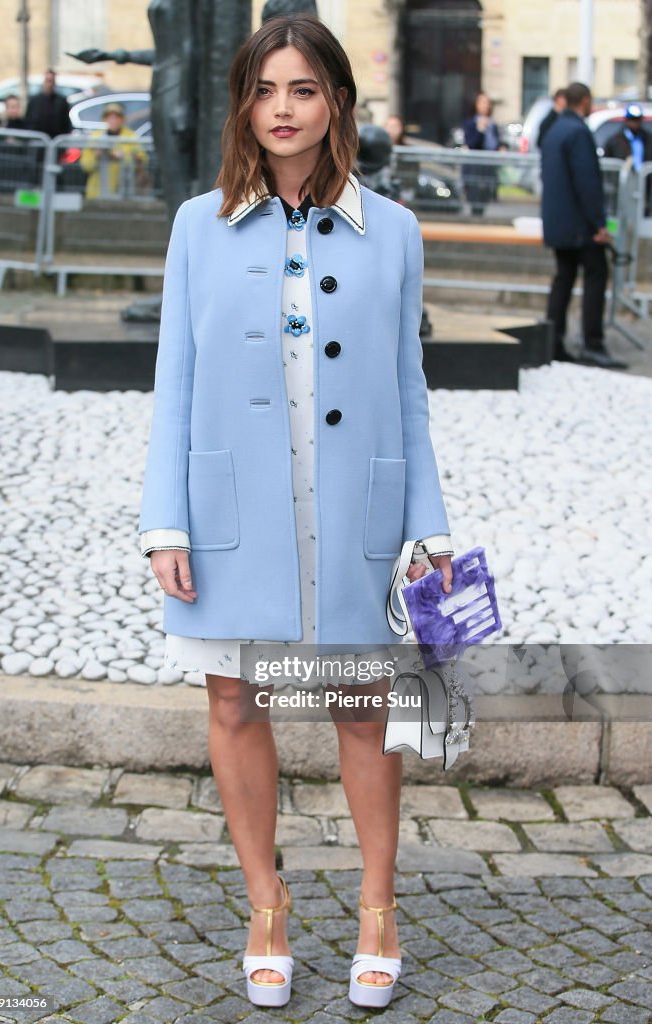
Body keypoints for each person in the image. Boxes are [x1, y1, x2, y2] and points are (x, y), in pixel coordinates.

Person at [137, 12, 454, 1012]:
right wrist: (164, 521)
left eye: (303, 89)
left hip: (349, 500)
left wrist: (428, 528)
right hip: (235, 508)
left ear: (336, 104)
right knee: (233, 700)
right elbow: (174, 380)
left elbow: (408, 387)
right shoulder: (198, 225)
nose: (282, 109)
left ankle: (375, 908)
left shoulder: (391, 230)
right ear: (243, 102)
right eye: (265, 89)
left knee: (363, 708)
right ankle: (264, 906)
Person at [541, 81, 628, 368]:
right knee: (595, 274)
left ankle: (553, 341)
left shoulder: (555, 129)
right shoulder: (578, 132)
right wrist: (599, 224)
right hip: (580, 225)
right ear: (585, 100)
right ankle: (592, 343)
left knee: (563, 278)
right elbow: (587, 182)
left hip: (558, 222)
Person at [79, 102, 149, 199]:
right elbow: (85, 165)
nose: (113, 120)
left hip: (123, 193)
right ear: (105, 119)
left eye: (117, 117)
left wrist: (123, 157)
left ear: (122, 119)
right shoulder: (96, 137)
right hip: (97, 193)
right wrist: (96, 156)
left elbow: (142, 160)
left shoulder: (131, 137)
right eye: (110, 117)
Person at [462, 91, 502, 215]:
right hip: (475, 167)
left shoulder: (493, 125)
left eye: (487, 103)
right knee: (475, 198)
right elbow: (471, 143)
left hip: (489, 167)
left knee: (486, 197)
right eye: (482, 102)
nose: (485, 105)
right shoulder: (470, 123)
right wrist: (480, 129)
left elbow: (495, 143)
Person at [24, 69, 72, 138]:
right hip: (37, 141)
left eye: (51, 81)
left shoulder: (61, 102)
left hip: (55, 140)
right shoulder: (34, 100)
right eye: (47, 81)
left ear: (54, 82)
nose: (49, 84)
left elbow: (66, 124)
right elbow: (28, 121)